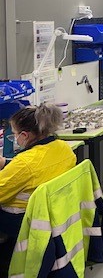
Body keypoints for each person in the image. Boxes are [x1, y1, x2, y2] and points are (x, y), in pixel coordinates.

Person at [0, 104, 76, 277]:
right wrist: (7, 163)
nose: (15, 139)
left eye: (14, 134)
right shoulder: (64, 148)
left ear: (25, 135)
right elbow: (38, 168)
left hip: (22, 218)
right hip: (52, 214)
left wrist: (13, 166)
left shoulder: (25, 162)